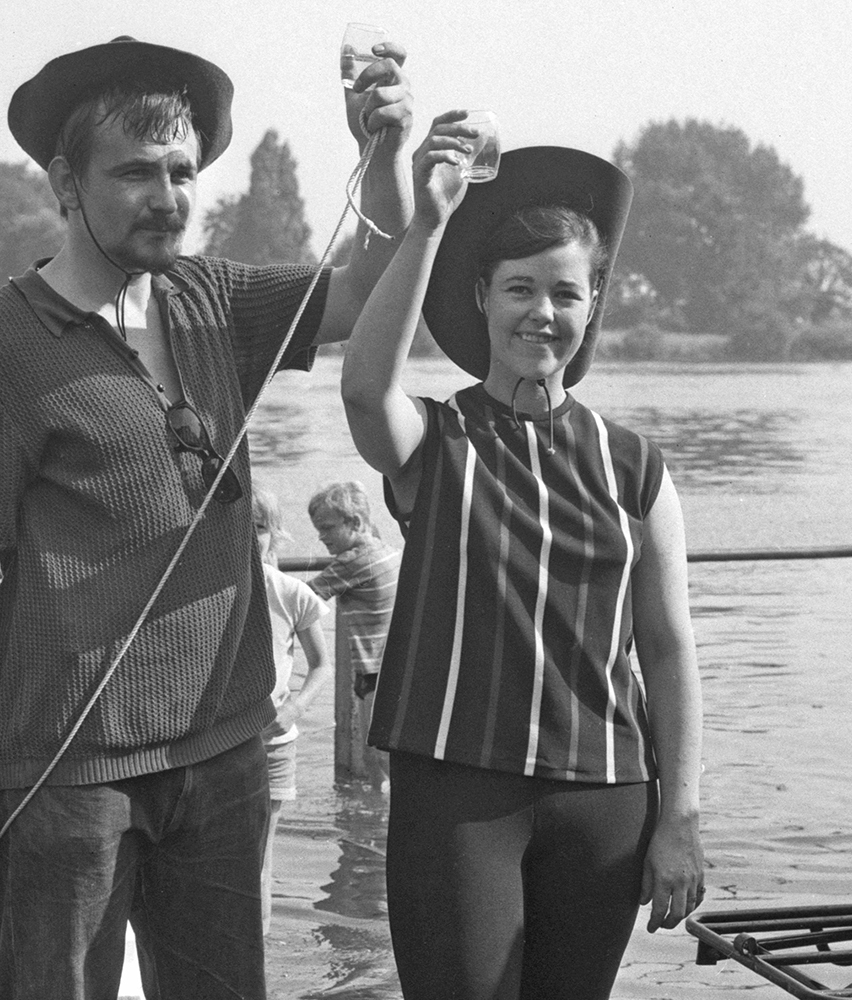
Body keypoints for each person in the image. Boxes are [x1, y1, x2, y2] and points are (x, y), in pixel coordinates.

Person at [0, 34, 412, 999]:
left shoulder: (209, 297)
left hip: (224, 747)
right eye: (136, 172)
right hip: (64, 775)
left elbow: (362, 290)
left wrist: (382, 156)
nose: (168, 196)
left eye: (183, 171)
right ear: (65, 180)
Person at [337, 125, 705, 1000]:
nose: (543, 312)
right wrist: (426, 223)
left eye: (566, 293)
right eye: (520, 289)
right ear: (483, 298)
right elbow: (362, 390)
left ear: (593, 305)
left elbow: (669, 649)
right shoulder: (437, 439)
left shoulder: (635, 466)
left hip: (609, 800)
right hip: (460, 797)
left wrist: (680, 818)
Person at [251, 486, 332, 934]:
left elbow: (322, 664)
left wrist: (295, 708)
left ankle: (256, 955)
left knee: (260, 857)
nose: (251, 539)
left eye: (260, 529)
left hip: (275, 743)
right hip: (221, 743)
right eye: (242, 528)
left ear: (275, 535)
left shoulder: (291, 593)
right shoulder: (204, 588)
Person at [304, 480, 399, 785]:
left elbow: (303, 600)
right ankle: (376, 817)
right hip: (386, 666)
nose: (321, 537)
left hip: (376, 671)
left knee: (380, 753)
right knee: (377, 752)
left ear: (355, 522)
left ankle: (383, 821)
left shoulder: (354, 561)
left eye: (327, 528)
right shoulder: (385, 549)